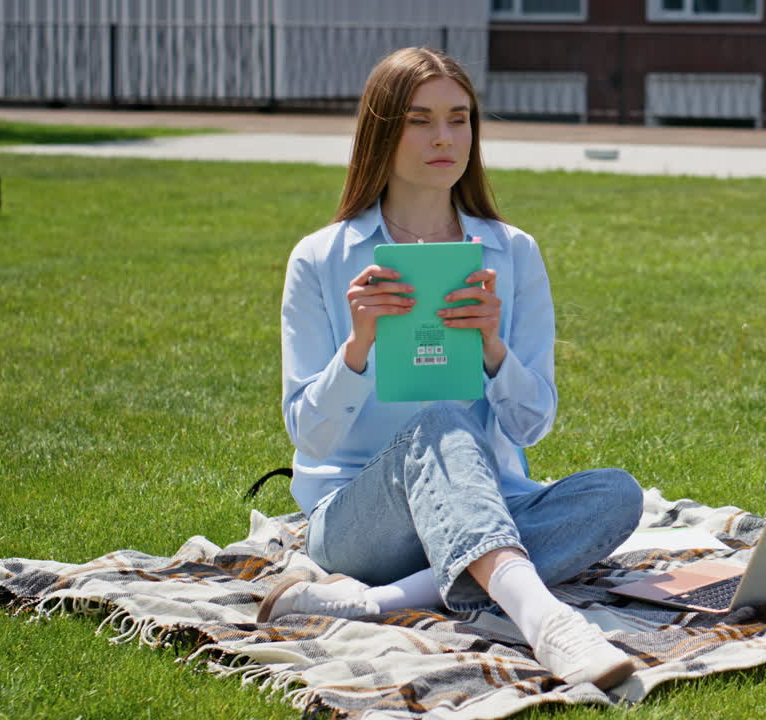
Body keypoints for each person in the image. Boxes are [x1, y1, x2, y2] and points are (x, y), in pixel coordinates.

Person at [265, 47, 643, 690]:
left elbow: (531, 427)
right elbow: (309, 436)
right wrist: (357, 347)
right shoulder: (320, 258)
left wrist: (495, 348)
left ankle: (381, 601)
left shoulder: (512, 252)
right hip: (358, 520)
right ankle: (548, 622)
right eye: (419, 120)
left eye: (459, 118)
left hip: (485, 502)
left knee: (616, 495)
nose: (444, 137)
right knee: (441, 421)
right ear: (381, 132)